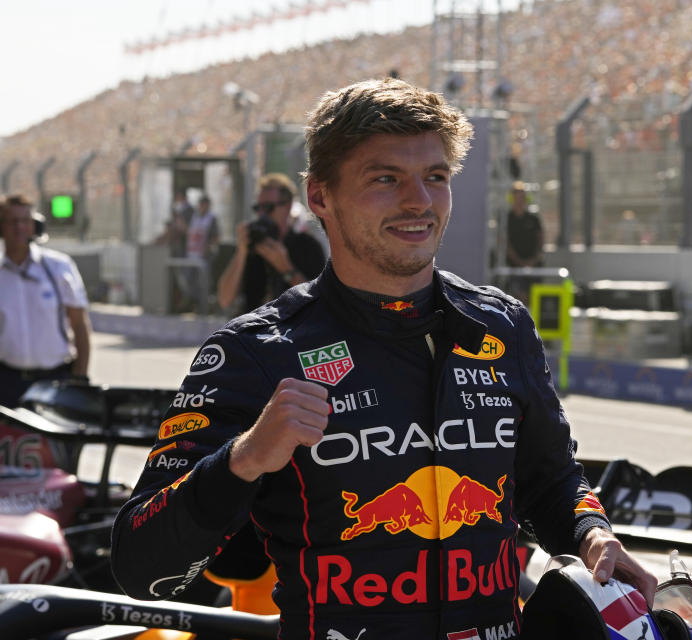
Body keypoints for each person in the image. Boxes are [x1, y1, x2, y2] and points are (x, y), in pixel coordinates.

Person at [111, 78, 656, 638]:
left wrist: (591, 530)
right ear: (321, 196)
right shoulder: (253, 352)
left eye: (435, 177)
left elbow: (552, 478)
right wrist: (244, 458)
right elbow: (140, 567)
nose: (418, 200)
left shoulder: (501, 325)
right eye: (385, 179)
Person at [0, 194, 92, 407]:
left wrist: (80, 377)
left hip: (54, 380)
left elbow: (79, 325)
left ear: (35, 226)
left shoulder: (58, 267)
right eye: (12, 221)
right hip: (6, 382)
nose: (19, 227)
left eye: (25, 221)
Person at [216, 172, 327, 314]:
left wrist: (286, 269)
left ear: (287, 207)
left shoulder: (308, 246)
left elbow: (319, 304)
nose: (262, 214)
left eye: (268, 208)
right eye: (258, 208)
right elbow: (225, 300)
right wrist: (241, 252)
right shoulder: (252, 245)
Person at [183, 194, 220, 312]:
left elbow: (215, 237)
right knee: (190, 282)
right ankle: (194, 304)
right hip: (191, 255)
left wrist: (207, 248)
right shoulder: (194, 217)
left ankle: (204, 307)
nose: (202, 207)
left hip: (204, 257)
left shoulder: (212, 218)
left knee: (204, 283)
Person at [506, 181, 544, 269]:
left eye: (522, 196)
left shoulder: (534, 219)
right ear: (512, 198)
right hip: (513, 268)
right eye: (517, 196)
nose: (520, 200)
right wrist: (520, 263)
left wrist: (533, 261)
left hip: (534, 267)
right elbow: (504, 243)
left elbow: (540, 240)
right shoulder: (506, 219)